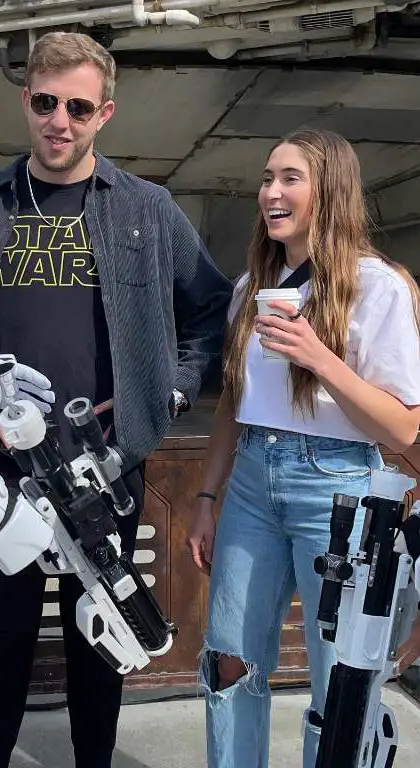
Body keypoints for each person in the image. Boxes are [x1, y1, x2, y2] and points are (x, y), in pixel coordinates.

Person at [0, 30, 233, 768]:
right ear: (25, 103)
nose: (59, 120)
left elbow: (210, 311)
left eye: (77, 106)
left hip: (105, 461)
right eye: (45, 103)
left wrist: (168, 391)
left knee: (103, 630)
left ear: (105, 113)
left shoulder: (146, 208)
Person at [185, 128, 420, 768]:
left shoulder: (379, 288)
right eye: (267, 179)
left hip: (337, 483)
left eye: (290, 178)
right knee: (228, 659)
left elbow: (402, 429)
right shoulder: (251, 287)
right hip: (255, 482)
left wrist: (320, 357)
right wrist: (206, 497)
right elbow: (235, 403)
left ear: (330, 192)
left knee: (336, 682)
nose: (271, 192)